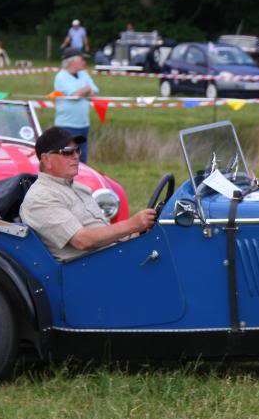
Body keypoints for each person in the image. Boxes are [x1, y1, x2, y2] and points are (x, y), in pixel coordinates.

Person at [19, 127, 156, 261]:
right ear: (47, 160)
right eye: (68, 152)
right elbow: (82, 240)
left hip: (109, 256)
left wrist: (136, 232)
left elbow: (102, 231)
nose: (76, 156)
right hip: (89, 270)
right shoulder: (41, 197)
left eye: (77, 150)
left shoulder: (77, 188)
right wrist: (132, 225)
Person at [54, 46, 99, 163]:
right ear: (72, 61)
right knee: (67, 160)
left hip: (84, 125)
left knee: (82, 161)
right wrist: (87, 89)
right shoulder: (61, 77)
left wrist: (85, 91)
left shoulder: (84, 74)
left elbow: (95, 93)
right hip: (66, 126)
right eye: (81, 59)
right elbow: (75, 95)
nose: (84, 62)